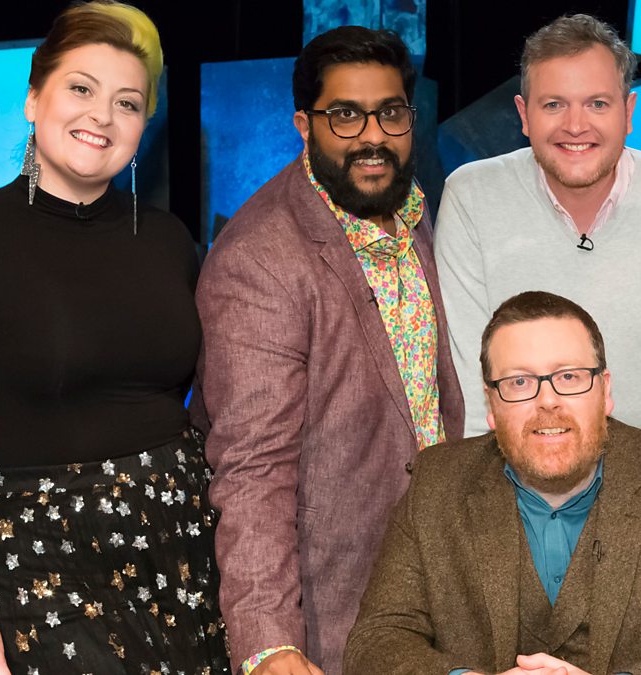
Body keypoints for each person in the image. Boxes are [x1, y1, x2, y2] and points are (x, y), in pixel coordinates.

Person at [0, 2, 230, 673]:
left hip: (182, 556)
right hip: (37, 572)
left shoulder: (168, 241)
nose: (102, 116)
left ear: (143, 126)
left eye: (127, 103)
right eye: (80, 88)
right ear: (33, 99)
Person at [195, 25, 464, 675]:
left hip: (441, 589)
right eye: (345, 115)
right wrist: (269, 643)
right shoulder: (260, 260)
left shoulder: (413, 210)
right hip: (337, 610)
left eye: (390, 112)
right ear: (304, 125)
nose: (373, 136)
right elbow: (252, 468)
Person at [344, 290, 641, 675]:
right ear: (491, 404)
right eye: (519, 382)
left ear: (605, 391)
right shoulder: (436, 484)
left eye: (569, 376)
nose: (547, 401)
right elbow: (376, 641)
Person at [434, 14, 641, 450]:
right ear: (524, 115)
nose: (576, 126)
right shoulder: (471, 196)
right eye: (554, 105)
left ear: (628, 112)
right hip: (513, 471)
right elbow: (471, 381)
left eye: (597, 104)